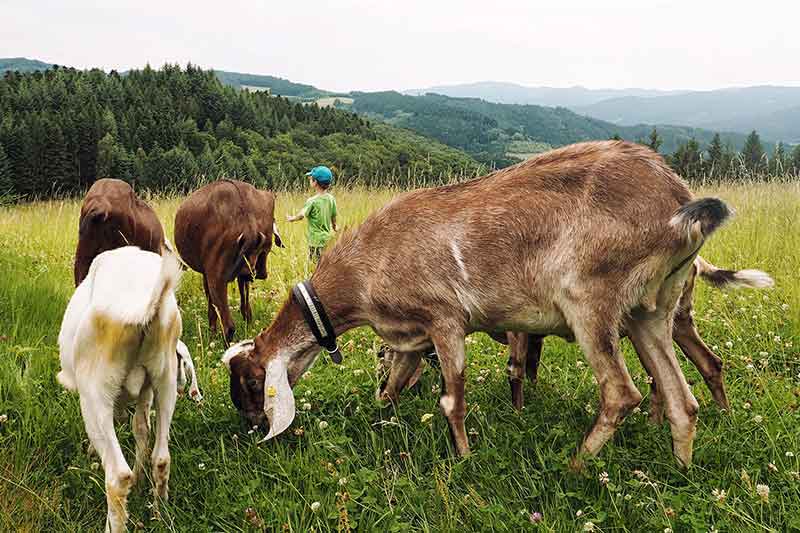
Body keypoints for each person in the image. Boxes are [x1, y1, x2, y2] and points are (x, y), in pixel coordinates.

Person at [287, 165, 338, 262]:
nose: (309, 180)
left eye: (311, 179)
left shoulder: (312, 201)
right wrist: (335, 227)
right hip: (328, 239)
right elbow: (333, 217)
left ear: (315, 182)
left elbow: (302, 215)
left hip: (315, 242)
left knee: (315, 265)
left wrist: (292, 218)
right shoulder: (331, 199)